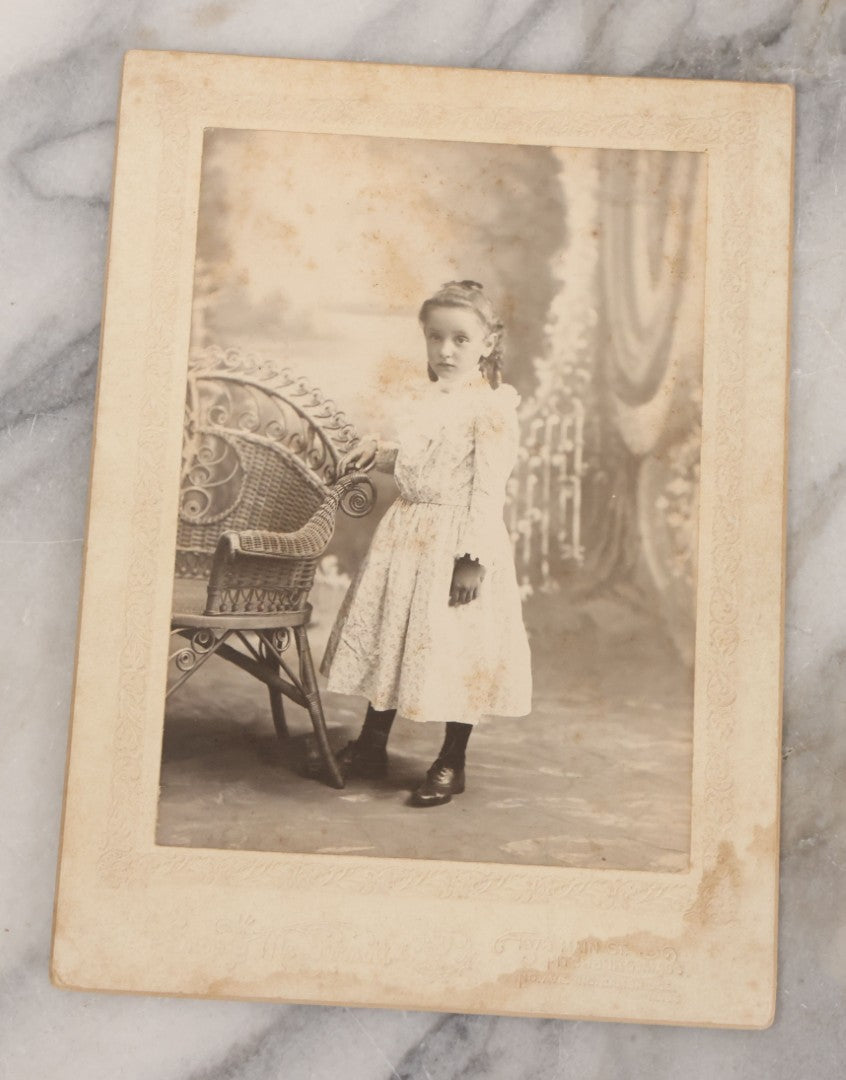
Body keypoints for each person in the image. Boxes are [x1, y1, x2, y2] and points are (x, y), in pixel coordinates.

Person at [320, 280, 532, 806]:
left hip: (457, 539)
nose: (445, 351)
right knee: (393, 636)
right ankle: (372, 744)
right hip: (407, 535)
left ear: (488, 342)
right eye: (435, 338)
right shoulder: (427, 398)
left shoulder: (492, 409)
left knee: (460, 646)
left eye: (460, 339)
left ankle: (452, 760)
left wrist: (471, 560)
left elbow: (485, 491)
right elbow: (425, 461)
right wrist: (379, 453)